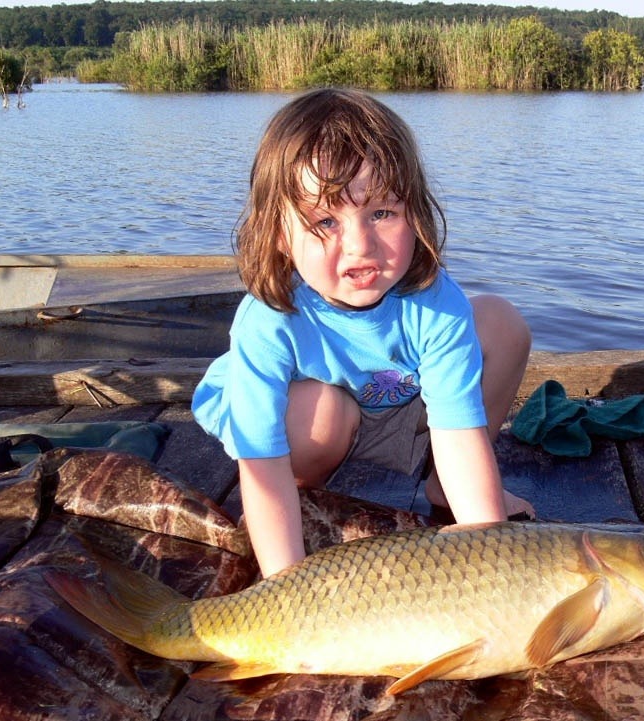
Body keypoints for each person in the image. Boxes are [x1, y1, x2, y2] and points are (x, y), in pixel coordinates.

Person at [193, 88, 535, 577]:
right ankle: (304, 498)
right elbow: (261, 464)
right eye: (325, 220)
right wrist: (284, 584)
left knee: (501, 323)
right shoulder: (266, 319)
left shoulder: (437, 303)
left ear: (414, 213)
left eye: (382, 213)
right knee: (324, 411)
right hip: (302, 430)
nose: (360, 245)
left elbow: (459, 433)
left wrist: (489, 550)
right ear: (277, 234)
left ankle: (443, 485)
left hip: (392, 403)